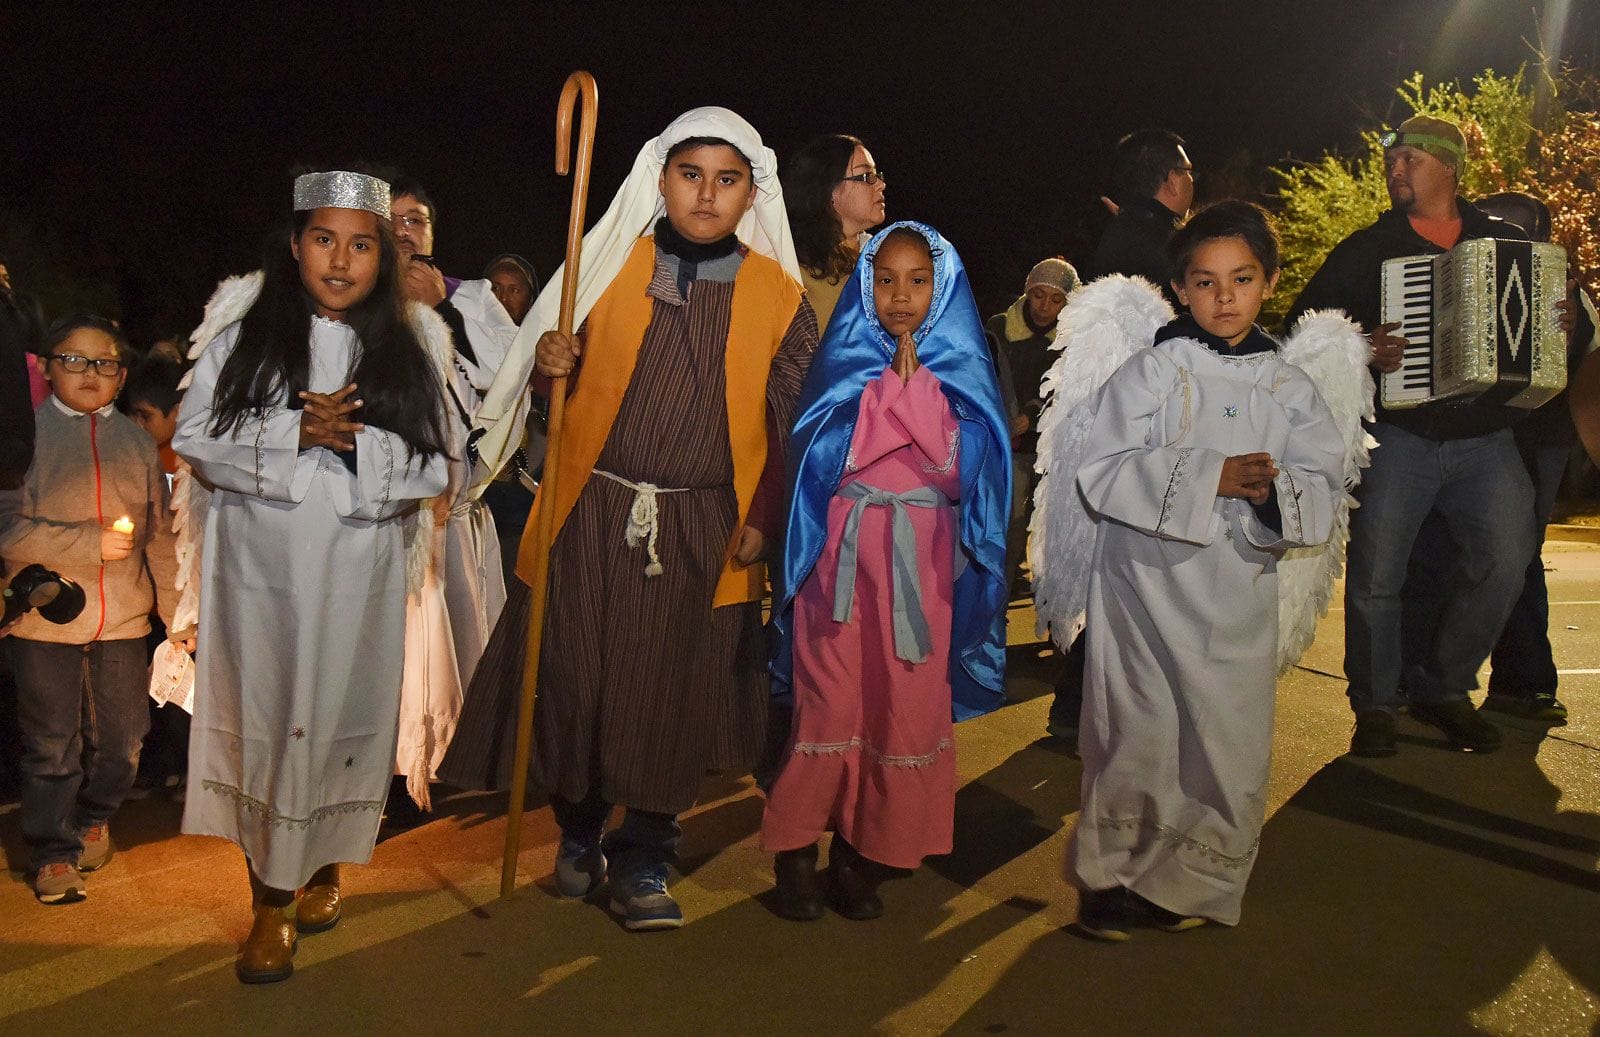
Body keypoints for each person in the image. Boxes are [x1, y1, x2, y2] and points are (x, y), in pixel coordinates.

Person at [445, 107, 817, 932]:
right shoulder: (605, 267)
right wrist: (550, 366)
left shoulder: (779, 296)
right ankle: (579, 833)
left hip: (704, 526)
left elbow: (795, 421)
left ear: (752, 193)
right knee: (578, 679)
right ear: (661, 181)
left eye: (727, 180)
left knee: (670, 693)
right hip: (591, 511)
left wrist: (763, 515)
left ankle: (647, 853)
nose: (707, 195)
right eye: (691, 176)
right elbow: (549, 390)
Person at [172, 170, 451, 983]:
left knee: (335, 718)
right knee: (271, 716)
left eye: (361, 244)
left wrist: (357, 442)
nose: (341, 259)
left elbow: (439, 465)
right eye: (324, 240)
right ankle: (269, 901)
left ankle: (322, 861)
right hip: (261, 576)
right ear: (295, 245)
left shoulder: (408, 344)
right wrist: (294, 432)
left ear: (384, 256)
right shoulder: (243, 338)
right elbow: (195, 438)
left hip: (356, 579)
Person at [1061, 200, 1345, 938]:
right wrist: (1209, 475)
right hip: (1144, 589)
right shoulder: (1154, 370)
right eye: (1206, 281)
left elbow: (1322, 481)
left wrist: (1272, 492)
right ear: (1181, 288)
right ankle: (1110, 874)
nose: (1224, 297)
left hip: (1233, 590)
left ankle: (1194, 878)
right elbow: (1103, 467)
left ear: (1270, 282)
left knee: (1224, 736)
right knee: (1137, 729)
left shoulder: (1289, 388)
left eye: (1242, 279)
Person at [1287, 116, 1574, 757]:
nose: (1396, 170)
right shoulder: (1367, 249)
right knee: (1375, 579)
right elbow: (1301, 331)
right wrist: (1359, 348)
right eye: (1393, 160)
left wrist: (1561, 321)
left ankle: (1444, 688)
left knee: (1505, 560)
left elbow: (1558, 332)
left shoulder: (1505, 242)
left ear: (1449, 166)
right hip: (1401, 433)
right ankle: (1376, 706)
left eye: (1411, 159)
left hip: (1488, 434)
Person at [761, 222, 1010, 922]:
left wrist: (915, 397)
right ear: (866, 286)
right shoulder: (841, 363)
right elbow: (822, 456)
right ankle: (795, 856)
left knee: (901, 702)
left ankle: (860, 854)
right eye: (886, 278)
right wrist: (892, 400)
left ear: (944, 287)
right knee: (829, 702)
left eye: (919, 280)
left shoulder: (962, 369)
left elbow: (965, 470)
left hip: (918, 565)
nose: (901, 296)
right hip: (840, 561)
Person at [1, 314, 183, 904]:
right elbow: (6, 527)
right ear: (48, 367)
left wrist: (180, 615)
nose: (89, 373)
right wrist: (87, 543)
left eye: (104, 363)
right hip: (43, 617)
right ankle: (52, 852)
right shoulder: (23, 436)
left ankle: (93, 817)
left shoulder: (136, 444)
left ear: (122, 375)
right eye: (73, 360)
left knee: (124, 739)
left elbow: (159, 536)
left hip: (124, 619)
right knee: (51, 742)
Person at [985, 257, 1079, 591]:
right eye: (1039, 294)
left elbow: (1069, 386)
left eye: (1056, 299)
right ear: (1027, 291)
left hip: (1050, 441)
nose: (1045, 306)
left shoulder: (1072, 337)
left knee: (1040, 519)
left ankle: (1031, 581)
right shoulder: (999, 327)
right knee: (1009, 517)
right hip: (1005, 440)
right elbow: (982, 375)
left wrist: (1033, 413)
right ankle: (999, 590)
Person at [784, 133, 887, 333]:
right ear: (829, 189)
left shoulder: (884, 256)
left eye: (877, 175)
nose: (880, 184)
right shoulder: (792, 270)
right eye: (866, 176)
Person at [1086, 129, 1194, 300]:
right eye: (1188, 170)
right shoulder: (1168, 246)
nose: (1191, 179)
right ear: (1173, 180)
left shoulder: (1114, 229)